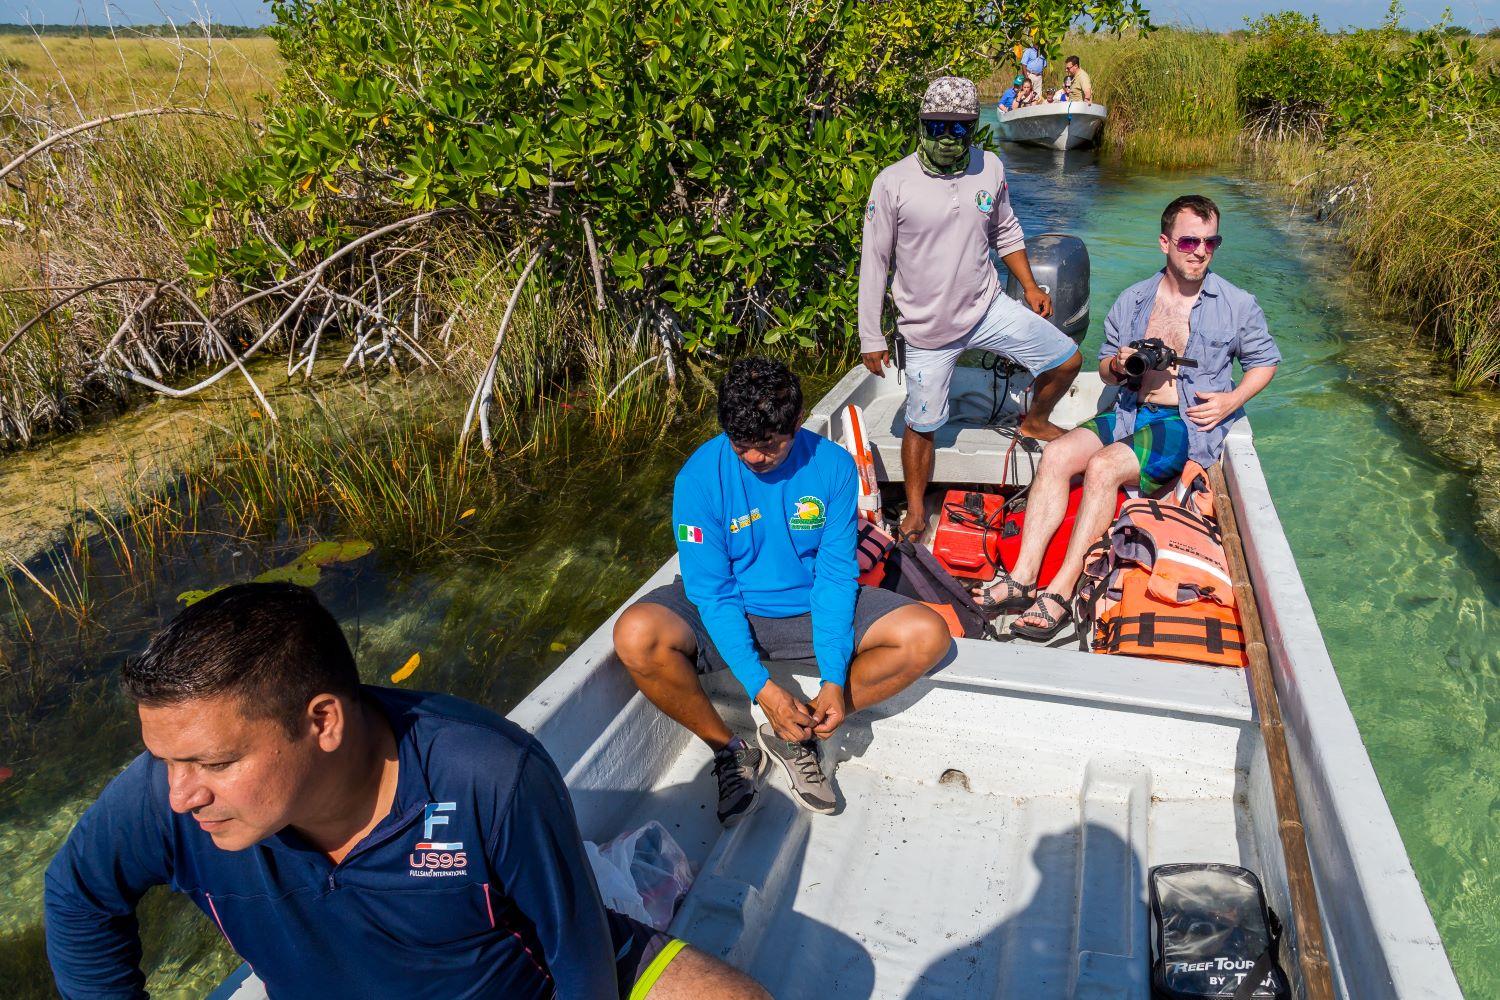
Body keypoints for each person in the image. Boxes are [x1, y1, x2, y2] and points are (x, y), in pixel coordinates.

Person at [44, 583, 770, 1000]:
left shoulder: (488, 778)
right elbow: (78, 895)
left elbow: (580, 960)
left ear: (321, 721)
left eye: (212, 762)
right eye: (163, 760)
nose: (178, 796)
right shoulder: (167, 791)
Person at [613, 358, 951, 822]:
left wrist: (835, 680)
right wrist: (762, 689)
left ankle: (801, 731)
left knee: (928, 635)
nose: (754, 458)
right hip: (729, 608)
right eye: (741, 445)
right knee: (635, 634)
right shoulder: (698, 479)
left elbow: (834, 578)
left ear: (797, 423)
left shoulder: (831, 466)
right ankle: (731, 750)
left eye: (769, 445)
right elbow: (714, 594)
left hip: (809, 607)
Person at [978, 194, 1280, 640]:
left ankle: (1061, 591)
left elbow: (1265, 362)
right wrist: (1118, 366)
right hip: (1127, 411)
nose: (1200, 251)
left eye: (1210, 242)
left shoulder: (1237, 304)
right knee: (1058, 454)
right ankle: (1022, 579)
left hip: (1182, 422)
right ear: (1165, 242)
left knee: (1103, 467)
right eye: (1189, 241)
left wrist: (1231, 400)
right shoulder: (1134, 299)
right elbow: (1102, 365)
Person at [859, 76, 1083, 540]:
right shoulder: (892, 183)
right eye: (936, 126)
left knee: (1067, 360)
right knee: (921, 425)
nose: (946, 137)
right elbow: (875, 264)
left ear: (973, 127)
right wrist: (871, 337)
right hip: (926, 329)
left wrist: (1030, 285)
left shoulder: (991, 168)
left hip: (987, 308)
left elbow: (1006, 232)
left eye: (958, 129)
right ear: (921, 124)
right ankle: (917, 510)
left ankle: (1035, 422)